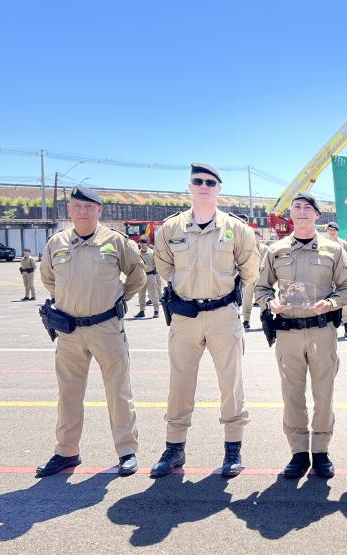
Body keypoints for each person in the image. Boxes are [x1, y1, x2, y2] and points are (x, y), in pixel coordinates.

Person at [150, 162, 260, 479]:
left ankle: (232, 449)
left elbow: (250, 270)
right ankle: (174, 448)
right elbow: (165, 268)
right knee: (180, 384)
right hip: (184, 316)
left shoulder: (237, 229)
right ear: (190, 186)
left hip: (223, 314)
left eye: (209, 182)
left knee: (231, 383)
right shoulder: (171, 229)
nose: (203, 186)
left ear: (218, 189)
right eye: (197, 181)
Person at [36, 185, 145, 477]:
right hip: (69, 331)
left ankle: (126, 451)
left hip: (106, 328)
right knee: (68, 393)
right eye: (77, 207)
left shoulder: (115, 241)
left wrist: (116, 301)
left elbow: (137, 276)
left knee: (118, 390)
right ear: (69, 210)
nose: (82, 212)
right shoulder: (56, 243)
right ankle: (66, 451)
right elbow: (48, 279)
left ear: (99, 210)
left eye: (88, 207)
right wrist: (71, 300)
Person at [255, 192, 347, 479]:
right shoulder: (275, 250)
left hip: (322, 331)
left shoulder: (334, 250)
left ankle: (321, 451)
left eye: (307, 208)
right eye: (296, 207)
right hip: (287, 332)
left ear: (317, 215)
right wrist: (270, 303)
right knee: (292, 396)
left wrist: (330, 303)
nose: (301, 212)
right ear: (291, 214)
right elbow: (261, 288)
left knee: (324, 395)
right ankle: (298, 453)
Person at [325, 222, 347, 338]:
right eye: (330, 229)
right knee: (326, 303)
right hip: (326, 278)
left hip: (340, 278)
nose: (332, 231)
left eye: (334, 229)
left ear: (337, 231)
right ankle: (328, 331)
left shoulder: (343, 244)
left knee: (343, 303)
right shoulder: (322, 244)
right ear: (327, 230)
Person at [241, 231, 269, 329]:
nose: (255, 239)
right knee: (246, 301)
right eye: (253, 237)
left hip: (260, 279)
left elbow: (268, 263)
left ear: (259, 238)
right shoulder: (245, 248)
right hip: (248, 279)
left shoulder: (265, 249)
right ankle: (246, 320)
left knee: (262, 300)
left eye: (257, 237)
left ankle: (264, 319)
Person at [133, 236, 161, 319]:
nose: (141, 244)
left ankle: (156, 311)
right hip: (141, 277)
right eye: (140, 242)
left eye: (143, 242)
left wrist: (156, 278)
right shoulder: (137, 253)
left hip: (150, 275)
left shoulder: (152, 253)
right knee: (141, 295)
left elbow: (157, 265)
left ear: (147, 243)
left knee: (153, 294)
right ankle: (142, 311)